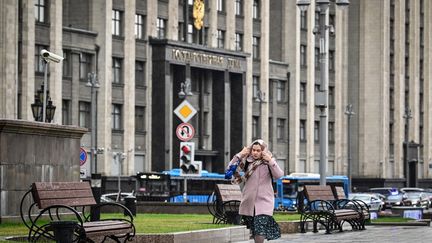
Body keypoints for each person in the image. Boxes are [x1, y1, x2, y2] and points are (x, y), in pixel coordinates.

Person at [227, 139, 284, 242]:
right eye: (253, 150)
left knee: (259, 229)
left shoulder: (268, 162)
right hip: (249, 202)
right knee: (254, 230)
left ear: (263, 151)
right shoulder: (246, 161)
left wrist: (271, 161)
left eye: (258, 150)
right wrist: (240, 154)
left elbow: (279, 175)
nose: (255, 152)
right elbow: (230, 168)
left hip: (264, 202)